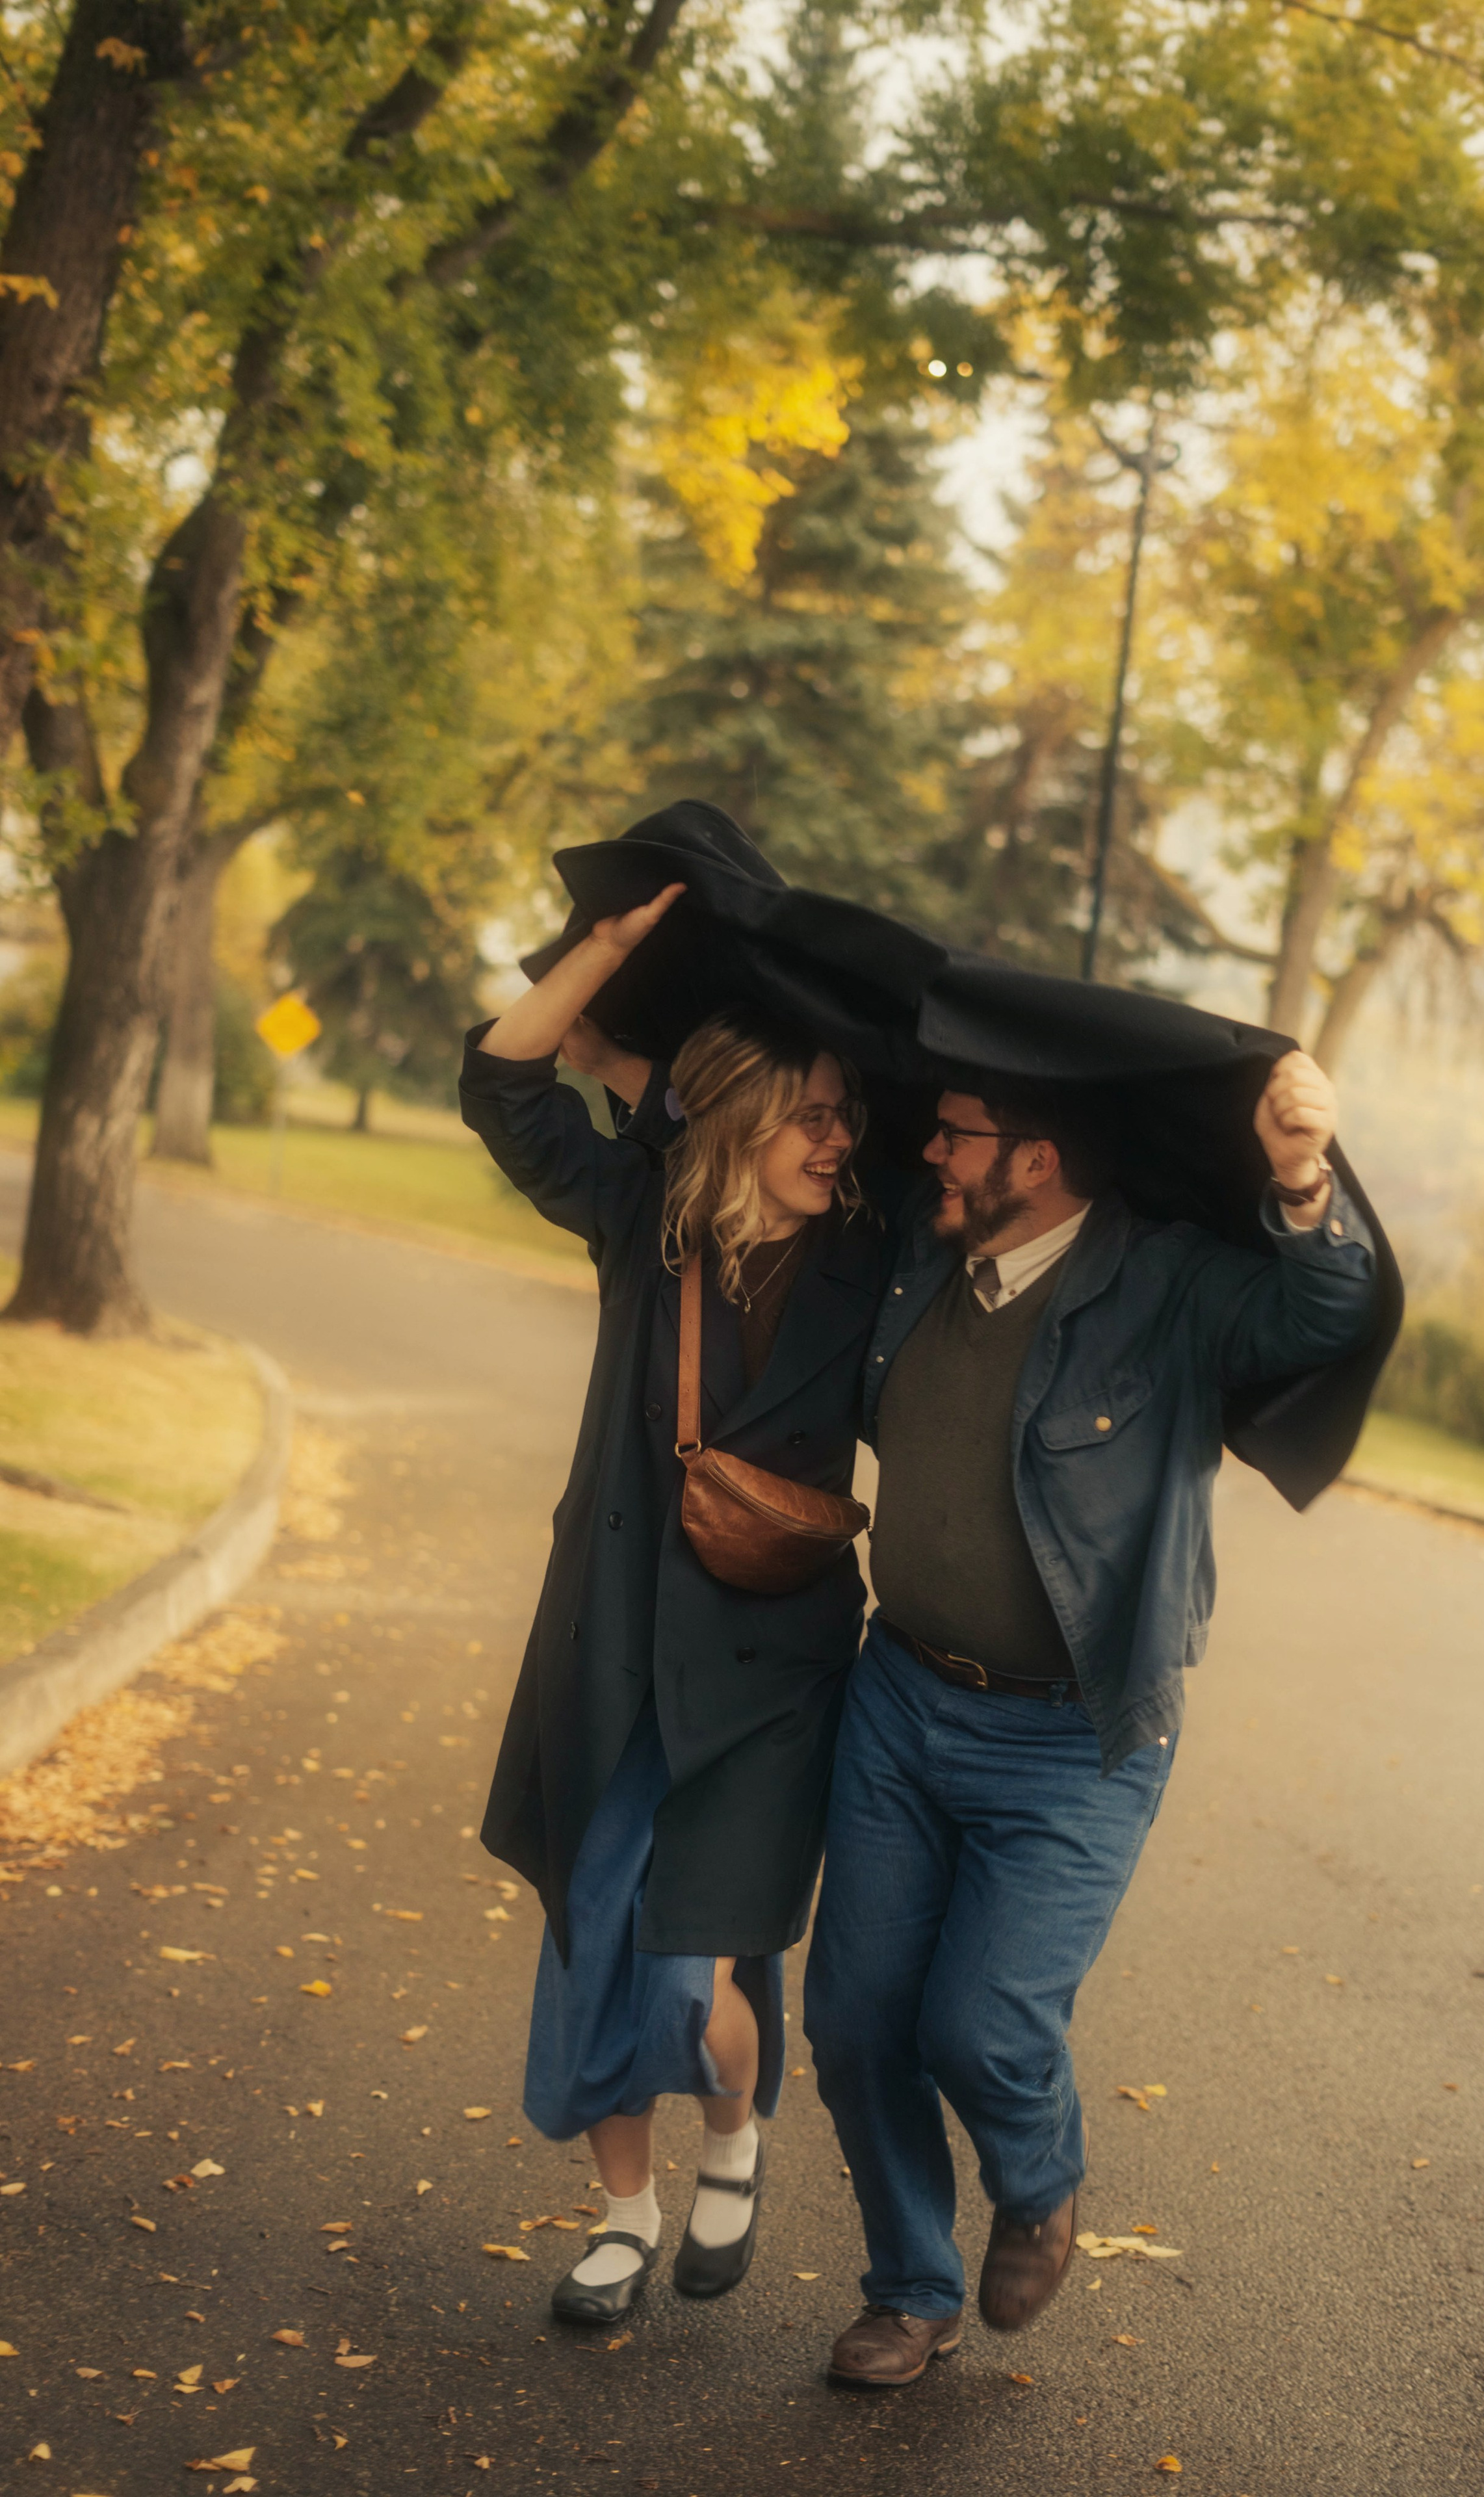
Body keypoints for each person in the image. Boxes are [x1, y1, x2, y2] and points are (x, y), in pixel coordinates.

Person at [800, 1048, 1379, 2386]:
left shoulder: (1165, 1284)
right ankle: (908, 2289)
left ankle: (1039, 2177)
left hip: (1074, 1734)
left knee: (983, 2024)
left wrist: (1299, 1173)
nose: (924, 1151)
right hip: (900, 1695)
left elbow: (1319, 1316)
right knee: (857, 2017)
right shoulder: (921, 1248)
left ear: (1034, 1159)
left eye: (952, 1134)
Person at [458, 882, 891, 2327]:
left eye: (845, 1115)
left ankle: (736, 2135)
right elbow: (506, 1074)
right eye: (812, 1114)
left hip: (772, 1665)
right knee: (601, 1924)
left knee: (702, 1936)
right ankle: (624, 2216)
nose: (838, 1138)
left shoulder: (864, 1258)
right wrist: (611, 953)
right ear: (739, 1116)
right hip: (620, 1652)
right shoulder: (644, 1219)